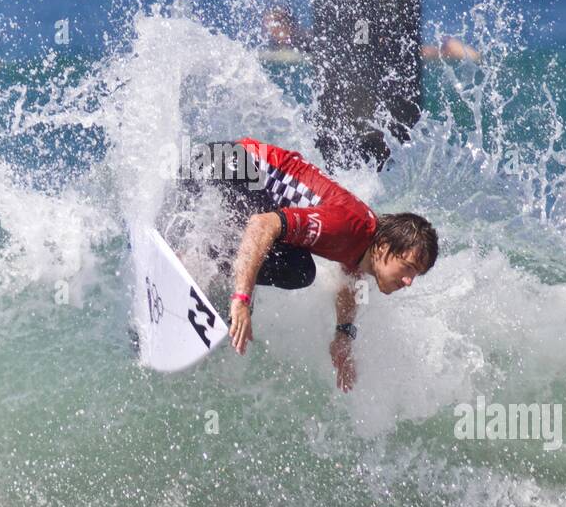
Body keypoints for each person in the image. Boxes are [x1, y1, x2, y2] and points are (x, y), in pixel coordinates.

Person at [184, 138, 438, 392]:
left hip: (222, 167)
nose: (409, 281)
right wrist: (242, 298)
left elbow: (351, 281)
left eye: (416, 274)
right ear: (383, 247)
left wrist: (342, 336)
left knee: (297, 266)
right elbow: (262, 225)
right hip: (223, 162)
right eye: (408, 267)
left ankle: (208, 259)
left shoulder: (364, 244)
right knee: (299, 270)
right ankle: (196, 256)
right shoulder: (347, 227)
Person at [260, 6, 480, 62]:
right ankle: (450, 50)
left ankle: (450, 50)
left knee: (408, 52)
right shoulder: (298, 36)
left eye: (272, 25)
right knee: (407, 51)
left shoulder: (297, 39)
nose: (268, 31)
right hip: (356, 39)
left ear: (285, 25)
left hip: (355, 44)